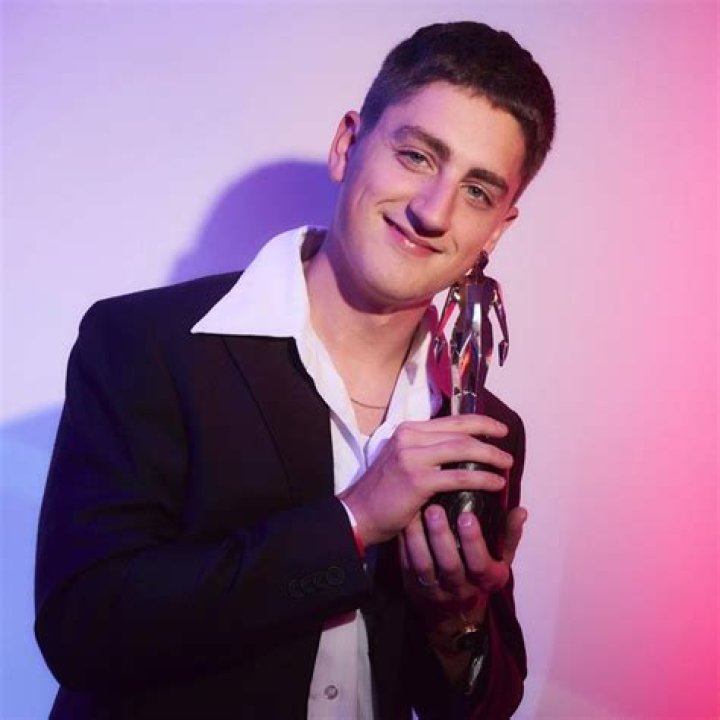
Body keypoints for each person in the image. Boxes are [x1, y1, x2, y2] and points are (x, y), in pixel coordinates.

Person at [35, 21, 555, 719]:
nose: (434, 211)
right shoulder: (146, 345)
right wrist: (355, 519)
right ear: (347, 144)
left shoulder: (482, 430)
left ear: (498, 228)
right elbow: (84, 631)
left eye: (478, 192)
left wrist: (454, 620)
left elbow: (483, 707)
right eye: (416, 156)